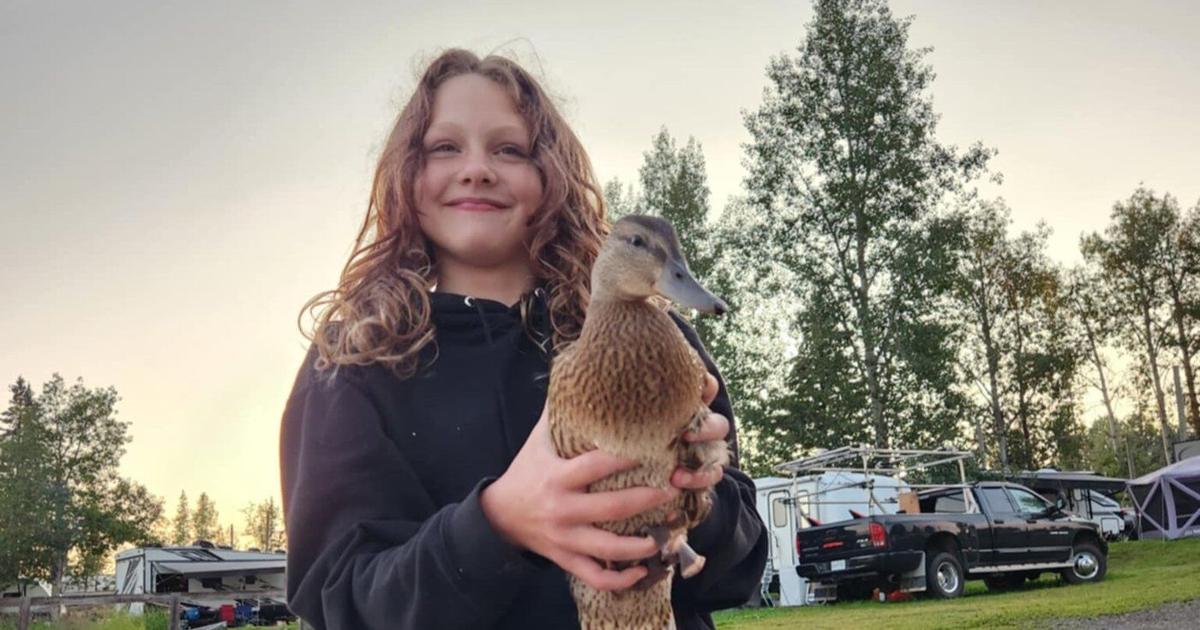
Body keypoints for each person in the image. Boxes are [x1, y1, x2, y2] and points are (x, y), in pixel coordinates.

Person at [279, 48, 767, 630]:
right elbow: (338, 599)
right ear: (407, 174)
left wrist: (695, 497)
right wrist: (495, 526)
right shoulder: (353, 361)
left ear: (551, 174)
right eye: (445, 147)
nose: (477, 169)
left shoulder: (663, 339)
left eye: (509, 149)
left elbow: (739, 569)